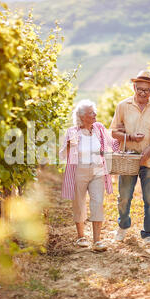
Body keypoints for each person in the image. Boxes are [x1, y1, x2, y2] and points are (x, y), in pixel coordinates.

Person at [110, 70, 150, 244]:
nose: (143, 93)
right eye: (139, 89)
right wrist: (131, 137)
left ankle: (148, 233)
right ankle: (123, 226)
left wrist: (148, 151)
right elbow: (114, 132)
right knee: (124, 197)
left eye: (146, 90)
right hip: (128, 159)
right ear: (134, 87)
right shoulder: (123, 106)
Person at [59, 100, 119, 252]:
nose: (95, 114)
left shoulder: (99, 128)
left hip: (98, 170)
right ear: (82, 116)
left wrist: (128, 138)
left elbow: (112, 143)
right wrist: (68, 145)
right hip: (79, 170)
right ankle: (81, 237)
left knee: (97, 202)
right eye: (91, 112)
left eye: (94, 111)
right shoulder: (72, 132)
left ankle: (97, 240)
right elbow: (61, 156)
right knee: (79, 203)